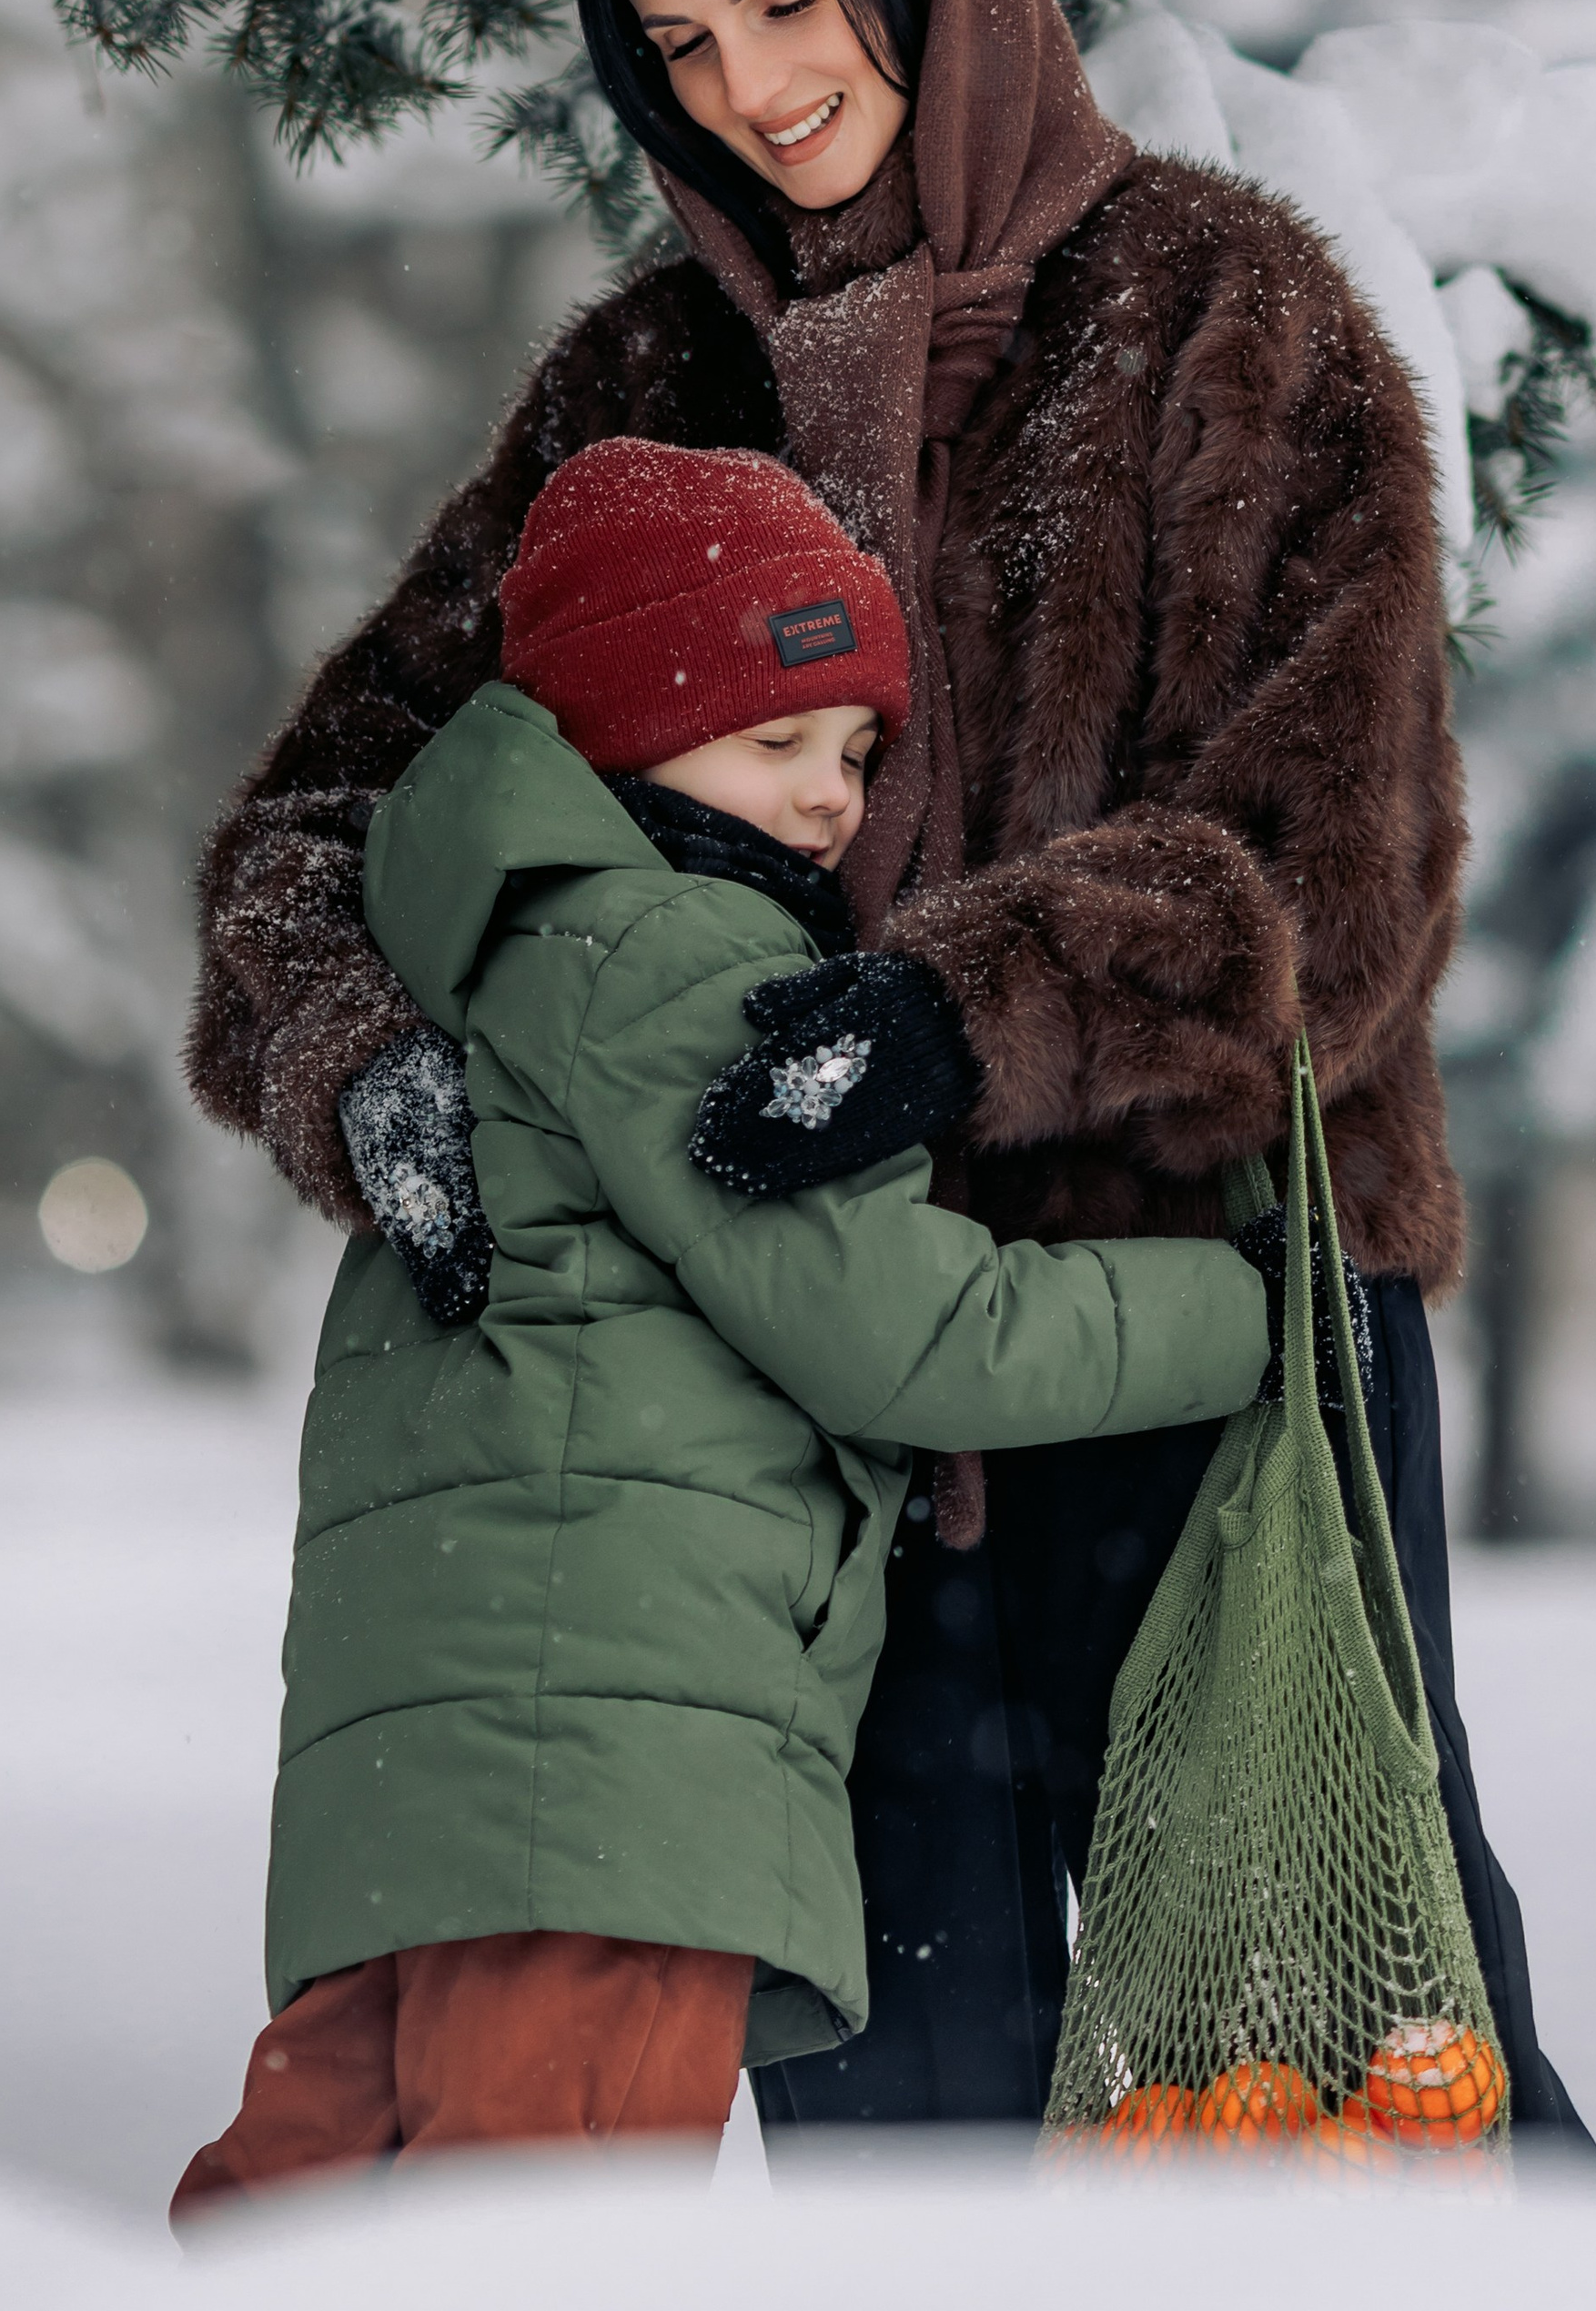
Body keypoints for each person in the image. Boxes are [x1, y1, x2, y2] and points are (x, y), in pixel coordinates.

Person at [189, 0, 1596, 2165]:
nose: (751, 82)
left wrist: (963, 1016)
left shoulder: (1225, 322)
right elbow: (335, 820)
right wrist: (358, 1059)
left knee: (1347, 2072)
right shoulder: (645, 390)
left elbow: (1332, 876)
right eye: (680, 39)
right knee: (902, 2124)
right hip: (808, 1406)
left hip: (1211, 1344)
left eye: (785, 1)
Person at [171, 441, 1274, 2201]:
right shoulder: (674, 962)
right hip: (613, 1775)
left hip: (434, 1784)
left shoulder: (484, 952)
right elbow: (906, 1335)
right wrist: (1252, 1309)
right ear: (621, 737)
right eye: (776, 742)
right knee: (547, 2223)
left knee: (318, 2197)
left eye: (854, 750)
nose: (832, 797)